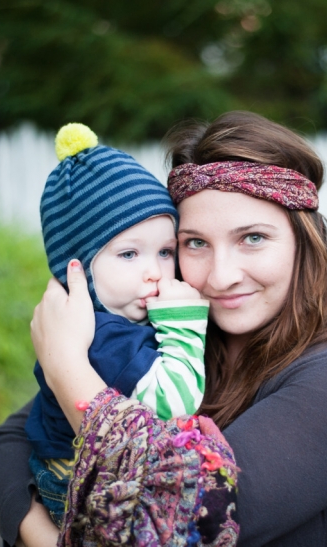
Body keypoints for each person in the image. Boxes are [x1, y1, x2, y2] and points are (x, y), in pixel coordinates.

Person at [0, 111, 327, 547]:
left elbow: (183, 515)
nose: (221, 277)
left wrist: (65, 364)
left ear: (305, 240)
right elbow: (4, 446)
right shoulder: (181, 336)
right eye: (196, 243)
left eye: (253, 238)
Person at [25, 123, 212, 527]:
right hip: (73, 482)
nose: (153, 272)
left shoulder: (111, 321)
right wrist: (185, 325)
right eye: (129, 254)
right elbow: (174, 402)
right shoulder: (105, 339)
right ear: (75, 268)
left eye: (165, 251)